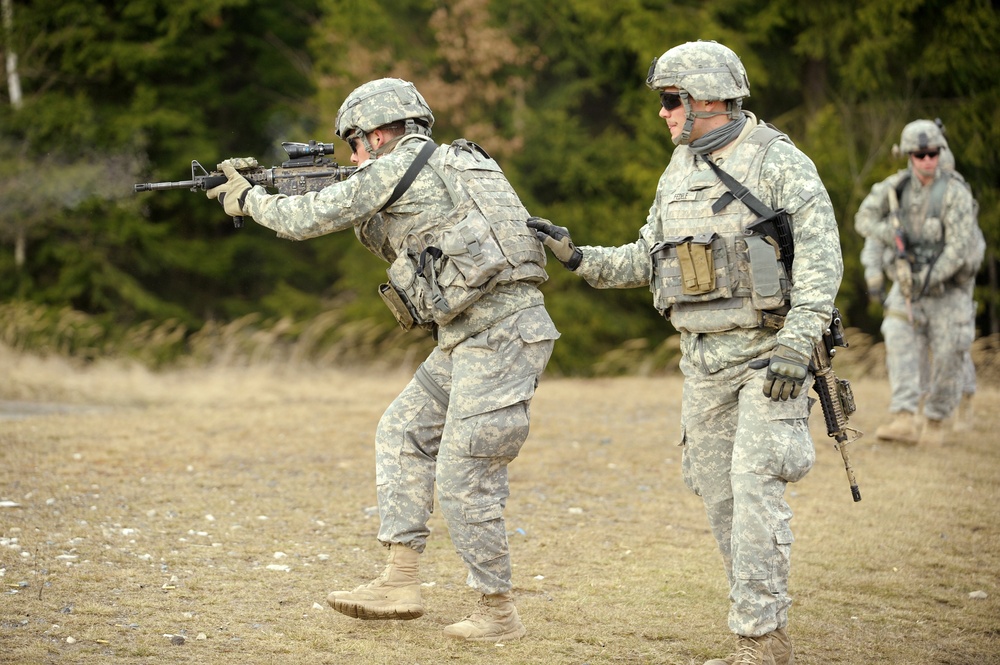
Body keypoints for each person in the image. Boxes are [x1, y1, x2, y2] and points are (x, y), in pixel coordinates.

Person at [205, 78, 560, 642]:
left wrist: (251, 198)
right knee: (402, 430)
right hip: (469, 335)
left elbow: (305, 219)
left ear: (377, 134)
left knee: (466, 476)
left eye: (353, 143)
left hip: (500, 333)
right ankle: (400, 579)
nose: (350, 156)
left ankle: (497, 612)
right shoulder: (442, 164)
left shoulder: (397, 166)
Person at [529, 40, 842, 665]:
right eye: (664, 103)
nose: (664, 114)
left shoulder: (778, 162)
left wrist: (796, 345)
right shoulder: (678, 171)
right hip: (701, 362)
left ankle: (759, 638)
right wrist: (579, 257)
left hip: (767, 360)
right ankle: (761, 614)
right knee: (718, 493)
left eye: (672, 101)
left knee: (754, 487)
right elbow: (647, 258)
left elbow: (821, 261)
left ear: (708, 99)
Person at [854, 119, 982, 446]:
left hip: (946, 288)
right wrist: (893, 236)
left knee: (951, 351)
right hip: (907, 285)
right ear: (909, 155)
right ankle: (904, 416)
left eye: (933, 153)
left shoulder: (955, 193)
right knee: (897, 337)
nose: (927, 160)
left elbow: (958, 249)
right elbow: (864, 219)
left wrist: (926, 277)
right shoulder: (894, 189)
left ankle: (936, 418)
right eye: (920, 154)